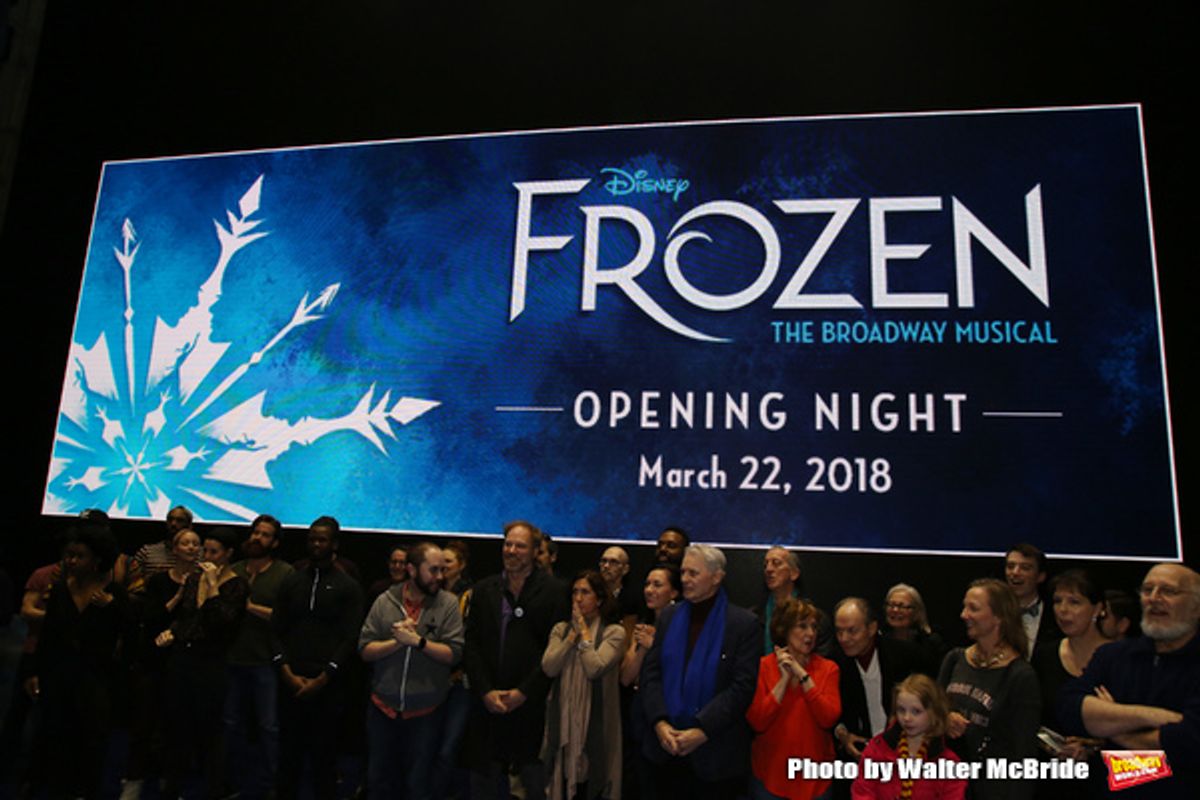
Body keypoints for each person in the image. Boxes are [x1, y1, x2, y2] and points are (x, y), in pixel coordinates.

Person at [1057, 563, 1200, 798]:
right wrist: (1154, 717)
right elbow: (1069, 708)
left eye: (1168, 591)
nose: (1154, 598)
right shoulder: (1113, 656)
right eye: (1147, 590)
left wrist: (1112, 726)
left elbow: (1189, 740)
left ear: (1196, 607)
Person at [640, 543, 759, 798]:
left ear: (717, 577)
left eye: (693, 573)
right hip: (665, 751)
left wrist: (702, 729)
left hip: (716, 756)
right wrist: (660, 722)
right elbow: (651, 674)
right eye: (683, 572)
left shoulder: (743, 625)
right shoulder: (669, 617)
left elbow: (742, 688)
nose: (684, 579)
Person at [463, 521, 569, 799]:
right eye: (507, 544)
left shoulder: (556, 592)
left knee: (534, 787)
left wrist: (523, 692)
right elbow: (471, 645)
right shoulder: (484, 589)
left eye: (520, 545)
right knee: (483, 785)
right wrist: (485, 691)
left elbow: (553, 650)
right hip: (487, 706)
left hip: (531, 708)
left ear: (535, 551)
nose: (511, 550)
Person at [25, 522, 130, 799]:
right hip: (59, 674)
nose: (71, 561)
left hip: (96, 677)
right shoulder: (60, 590)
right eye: (69, 555)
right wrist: (35, 672)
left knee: (92, 739)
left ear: (96, 560)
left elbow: (130, 634)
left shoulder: (114, 594)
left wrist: (113, 608)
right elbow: (48, 635)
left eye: (79, 556)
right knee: (56, 734)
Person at [360, 541, 464, 800]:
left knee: (417, 785)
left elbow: (454, 654)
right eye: (433, 570)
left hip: (425, 713)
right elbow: (364, 649)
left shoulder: (449, 604)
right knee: (378, 781)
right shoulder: (385, 601)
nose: (439, 577)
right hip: (382, 709)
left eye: (442, 570)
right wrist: (397, 642)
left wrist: (419, 642)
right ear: (412, 570)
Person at [272, 517, 364, 800]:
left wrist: (325, 677)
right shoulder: (292, 580)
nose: (315, 544)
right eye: (311, 538)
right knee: (288, 756)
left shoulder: (348, 586)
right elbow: (276, 629)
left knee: (324, 759)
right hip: (291, 683)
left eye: (321, 539)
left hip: (328, 686)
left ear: (334, 544)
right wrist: (285, 671)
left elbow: (351, 639)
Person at [155, 527, 248, 800]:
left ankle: (216, 788)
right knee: (176, 723)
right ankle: (172, 785)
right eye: (204, 550)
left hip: (213, 662)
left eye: (213, 552)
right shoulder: (194, 579)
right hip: (184, 657)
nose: (206, 556)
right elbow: (188, 617)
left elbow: (222, 623)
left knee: (210, 729)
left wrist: (212, 585)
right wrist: (172, 632)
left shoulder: (237, 585)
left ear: (229, 554)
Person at [939, 578, 1039, 800]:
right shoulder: (954, 659)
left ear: (999, 617)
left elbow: (1023, 753)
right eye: (965, 607)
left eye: (973, 608)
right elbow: (930, 713)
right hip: (948, 783)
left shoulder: (1021, 675)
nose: (964, 615)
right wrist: (944, 718)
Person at [225, 514, 294, 800]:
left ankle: (270, 784)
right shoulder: (233, 570)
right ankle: (231, 783)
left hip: (265, 661)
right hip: (231, 658)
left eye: (265, 535)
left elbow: (287, 617)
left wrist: (250, 607)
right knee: (230, 724)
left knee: (269, 727)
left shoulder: (285, 573)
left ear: (275, 542)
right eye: (255, 532)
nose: (257, 538)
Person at [541, 570, 626, 800]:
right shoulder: (561, 629)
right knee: (560, 774)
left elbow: (594, 668)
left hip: (596, 721)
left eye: (585, 592)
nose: (578, 598)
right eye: (575, 592)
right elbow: (549, 667)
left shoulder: (614, 632)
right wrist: (572, 637)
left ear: (599, 598)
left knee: (593, 780)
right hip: (563, 718)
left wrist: (585, 634)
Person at [746, 598, 840, 800]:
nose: (811, 634)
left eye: (814, 627)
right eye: (802, 626)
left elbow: (828, 718)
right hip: (770, 778)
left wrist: (802, 675)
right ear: (784, 629)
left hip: (815, 780)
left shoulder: (828, 669)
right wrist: (784, 680)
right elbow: (758, 722)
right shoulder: (763, 667)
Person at [832, 598, 921, 769]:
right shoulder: (836, 662)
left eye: (852, 631)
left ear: (872, 628)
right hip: (860, 760)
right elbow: (833, 715)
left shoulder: (906, 655)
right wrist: (842, 734)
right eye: (839, 632)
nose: (844, 638)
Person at [851, 674, 967, 800]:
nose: (907, 718)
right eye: (901, 710)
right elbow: (862, 791)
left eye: (916, 711)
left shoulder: (948, 763)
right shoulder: (877, 748)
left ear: (934, 712)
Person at [620, 563, 681, 800]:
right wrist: (645, 649)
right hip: (639, 716)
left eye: (657, 585)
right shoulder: (641, 626)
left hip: (669, 716)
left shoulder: (684, 628)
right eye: (647, 584)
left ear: (674, 592)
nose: (649, 590)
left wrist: (656, 646)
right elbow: (626, 678)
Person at [754, 546, 833, 657]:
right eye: (765, 565)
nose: (768, 569)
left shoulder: (816, 619)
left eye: (776, 563)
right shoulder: (754, 618)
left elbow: (821, 665)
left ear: (794, 573)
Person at [1004, 544, 1059, 658]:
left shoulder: (1055, 615)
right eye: (1010, 566)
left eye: (1025, 568)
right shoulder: (992, 611)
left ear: (1040, 577)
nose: (1015, 573)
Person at [882, 582, 946, 677]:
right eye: (891, 605)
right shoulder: (878, 640)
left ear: (917, 612)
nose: (895, 610)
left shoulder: (931, 643)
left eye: (902, 606)